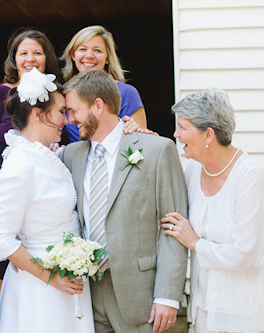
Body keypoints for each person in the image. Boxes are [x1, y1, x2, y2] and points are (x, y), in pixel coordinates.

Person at [60, 68, 188, 333]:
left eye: (73, 111)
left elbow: (174, 227)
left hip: (140, 293)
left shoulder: (157, 149)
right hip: (86, 293)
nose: (69, 120)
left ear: (98, 105)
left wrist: (167, 295)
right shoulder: (70, 156)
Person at [161, 88, 264, 333]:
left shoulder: (249, 175)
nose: (176, 134)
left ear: (208, 134)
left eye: (183, 127)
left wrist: (195, 243)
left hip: (246, 313)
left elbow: (248, 254)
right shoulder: (193, 171)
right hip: (206, 310)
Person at [0, 68, 95, 332]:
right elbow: (1, 241)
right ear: (38, 114)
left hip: (68, 279)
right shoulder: (18, 166)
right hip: (41, 288)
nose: (67, 120)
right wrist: (51, 277)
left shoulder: (46, 155)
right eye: (61, 111)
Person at [0, 28, 62, 330]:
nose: (30, 58)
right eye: (23, 53)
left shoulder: (56, 99)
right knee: (5, 286)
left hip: (43, 210)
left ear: (47, 58)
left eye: (37, 52)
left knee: (42, 283)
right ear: (14, 59)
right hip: (3, 206)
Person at [60, 25, 148, 142]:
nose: (89, 55)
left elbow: (140, 143)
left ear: (107, 58)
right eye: (83, 49)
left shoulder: (126, 92)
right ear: (73, 55)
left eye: (97, 50)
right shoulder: (65, 94)